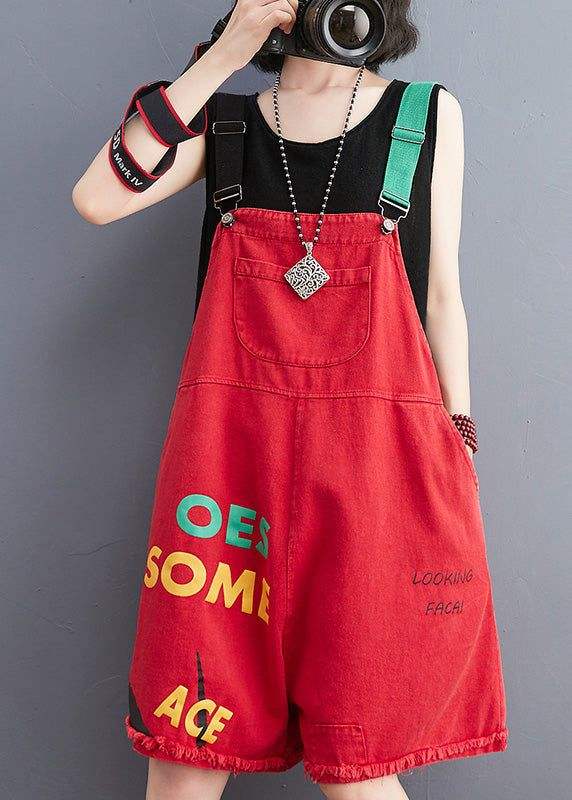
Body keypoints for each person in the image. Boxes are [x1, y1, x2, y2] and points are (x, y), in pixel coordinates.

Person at [72, 1, 508, 798]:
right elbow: (98, 196)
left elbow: (442, 297)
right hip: (224, 476)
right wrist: (224, 55)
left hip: (376, 472)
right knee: (185, 749)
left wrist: (459, 446)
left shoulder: (422, 115)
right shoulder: (225, 121)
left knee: (360, 768)